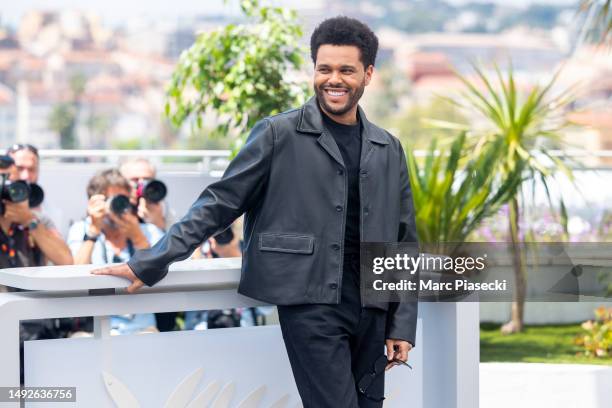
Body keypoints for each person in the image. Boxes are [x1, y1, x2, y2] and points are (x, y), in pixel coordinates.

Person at [93, 16, 418, 408]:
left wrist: (401, 323)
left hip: (372, 307)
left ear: (367, 74)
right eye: (324, 68)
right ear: (313, 70)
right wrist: (152, 260)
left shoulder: (388, 146)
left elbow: (404, 241)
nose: (334, 79)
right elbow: (220, 202)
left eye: (346, 70)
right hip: (310, 304)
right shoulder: (277, 134)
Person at [68, 169, 163, 335]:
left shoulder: (148, 231)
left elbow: (159, 271)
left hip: (143, 328)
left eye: (122, 199)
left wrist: (138, 238)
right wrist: (93, 231)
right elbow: (75, 274)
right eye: (110, 200)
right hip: (96, 327)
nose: (117, 206)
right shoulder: (82, 230)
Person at [2, 144, 73, 267]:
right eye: (19, 168)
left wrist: (29, 221)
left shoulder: (39, 219)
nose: (25, 177)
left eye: (31, 169)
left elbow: (66, 260)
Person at [120, 158, 170, 231]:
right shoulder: (116, 205)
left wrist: (158, 223)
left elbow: (173, 240)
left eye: (147, 179)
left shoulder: (161, 208)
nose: (141, 184)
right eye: (135, 179)